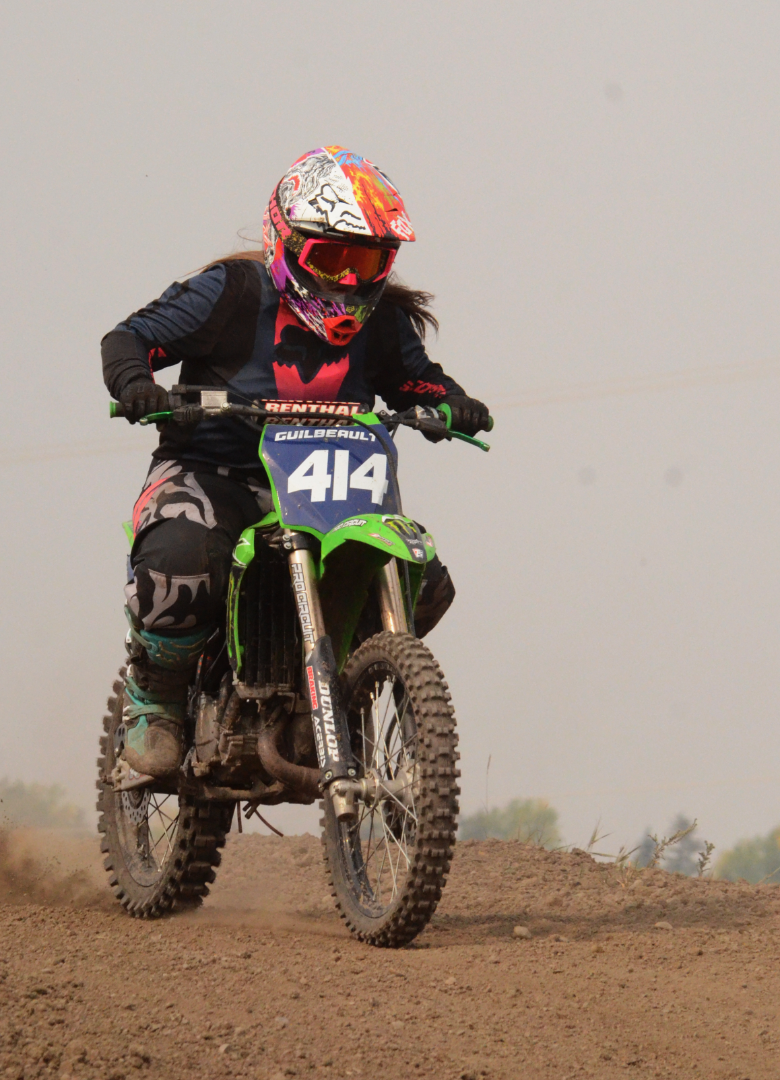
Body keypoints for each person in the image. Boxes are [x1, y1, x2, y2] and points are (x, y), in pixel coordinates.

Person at [101, 146, 490, 783]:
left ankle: (340, 687)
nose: (348, 280)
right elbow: (130, 337)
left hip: (333, 485)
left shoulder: (382, 321)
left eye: (366, 262)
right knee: (181, 561)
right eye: (332, 258)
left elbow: (417, 381)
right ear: (286, 241)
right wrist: (136, 384)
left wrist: (452, 403)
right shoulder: (229, 293)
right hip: (214, 473)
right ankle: (158, 698)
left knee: (427, 584)